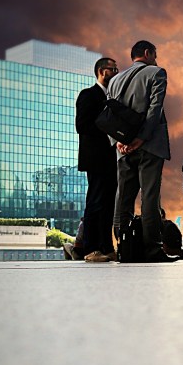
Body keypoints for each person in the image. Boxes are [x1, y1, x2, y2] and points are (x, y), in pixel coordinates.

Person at [108, 40, 177, 263]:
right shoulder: (156, 73)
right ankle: (152, 249)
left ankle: (123, 246)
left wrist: (119, 141)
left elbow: (110, 114)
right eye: (155, 55)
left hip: (123, 148)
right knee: (150, 197)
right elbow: (154, 109)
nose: (156, 60)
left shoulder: (115, 80)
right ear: (148, 53)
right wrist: (141, 138)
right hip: (149, 145)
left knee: (123, 196)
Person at [74, 57, 118, 262]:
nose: (116, 72)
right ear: (101, 71)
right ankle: (90, 249)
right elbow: (82, 125)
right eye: (112, 69)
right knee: (95, 202)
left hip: (111, 159)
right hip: (96, 158)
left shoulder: (114, 97)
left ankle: (106, 247)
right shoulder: (88, 94)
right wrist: (108, 130)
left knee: (109, 205)